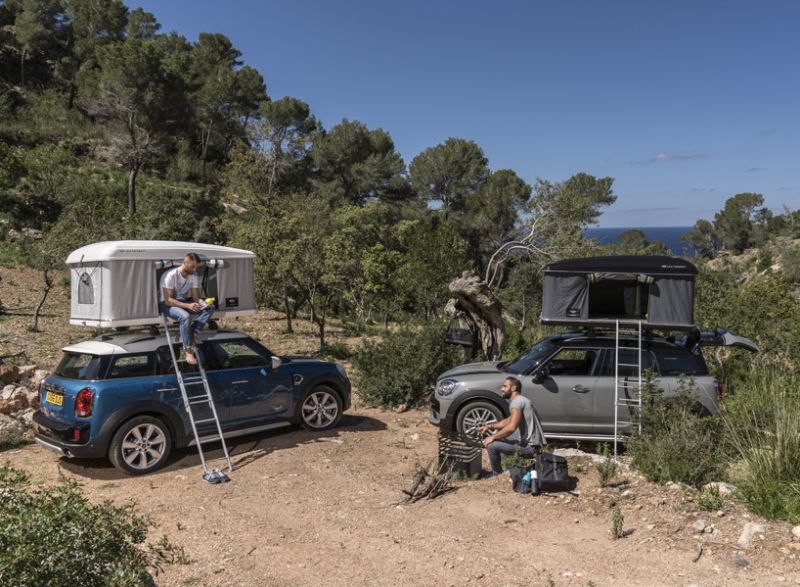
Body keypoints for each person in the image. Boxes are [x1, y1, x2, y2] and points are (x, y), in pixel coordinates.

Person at [480, 376, 546, 476]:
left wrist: (492, 437)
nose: (502, 389)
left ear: (513, 388)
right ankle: (507, 470)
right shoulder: (522, 400)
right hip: (535, 445)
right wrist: (489, 426)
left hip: (531, 448)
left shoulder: (517, 402)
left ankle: (497, 475)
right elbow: (508, 421)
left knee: (491, 445)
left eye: (505, 386)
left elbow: (511, 427)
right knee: (502, 437)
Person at [159, 253, 215, 365]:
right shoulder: (171, 275)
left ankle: (192, 333)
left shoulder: (193, 275)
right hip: (167, 304)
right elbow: (168, 300)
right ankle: (188, 351)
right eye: (192, 266)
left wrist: (202, 303)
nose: (194, 269)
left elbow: (195, 297)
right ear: (184, 262)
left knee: (210, 308)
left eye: (196, 267)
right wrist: (189, 306)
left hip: (183, 301)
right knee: (185, 316)